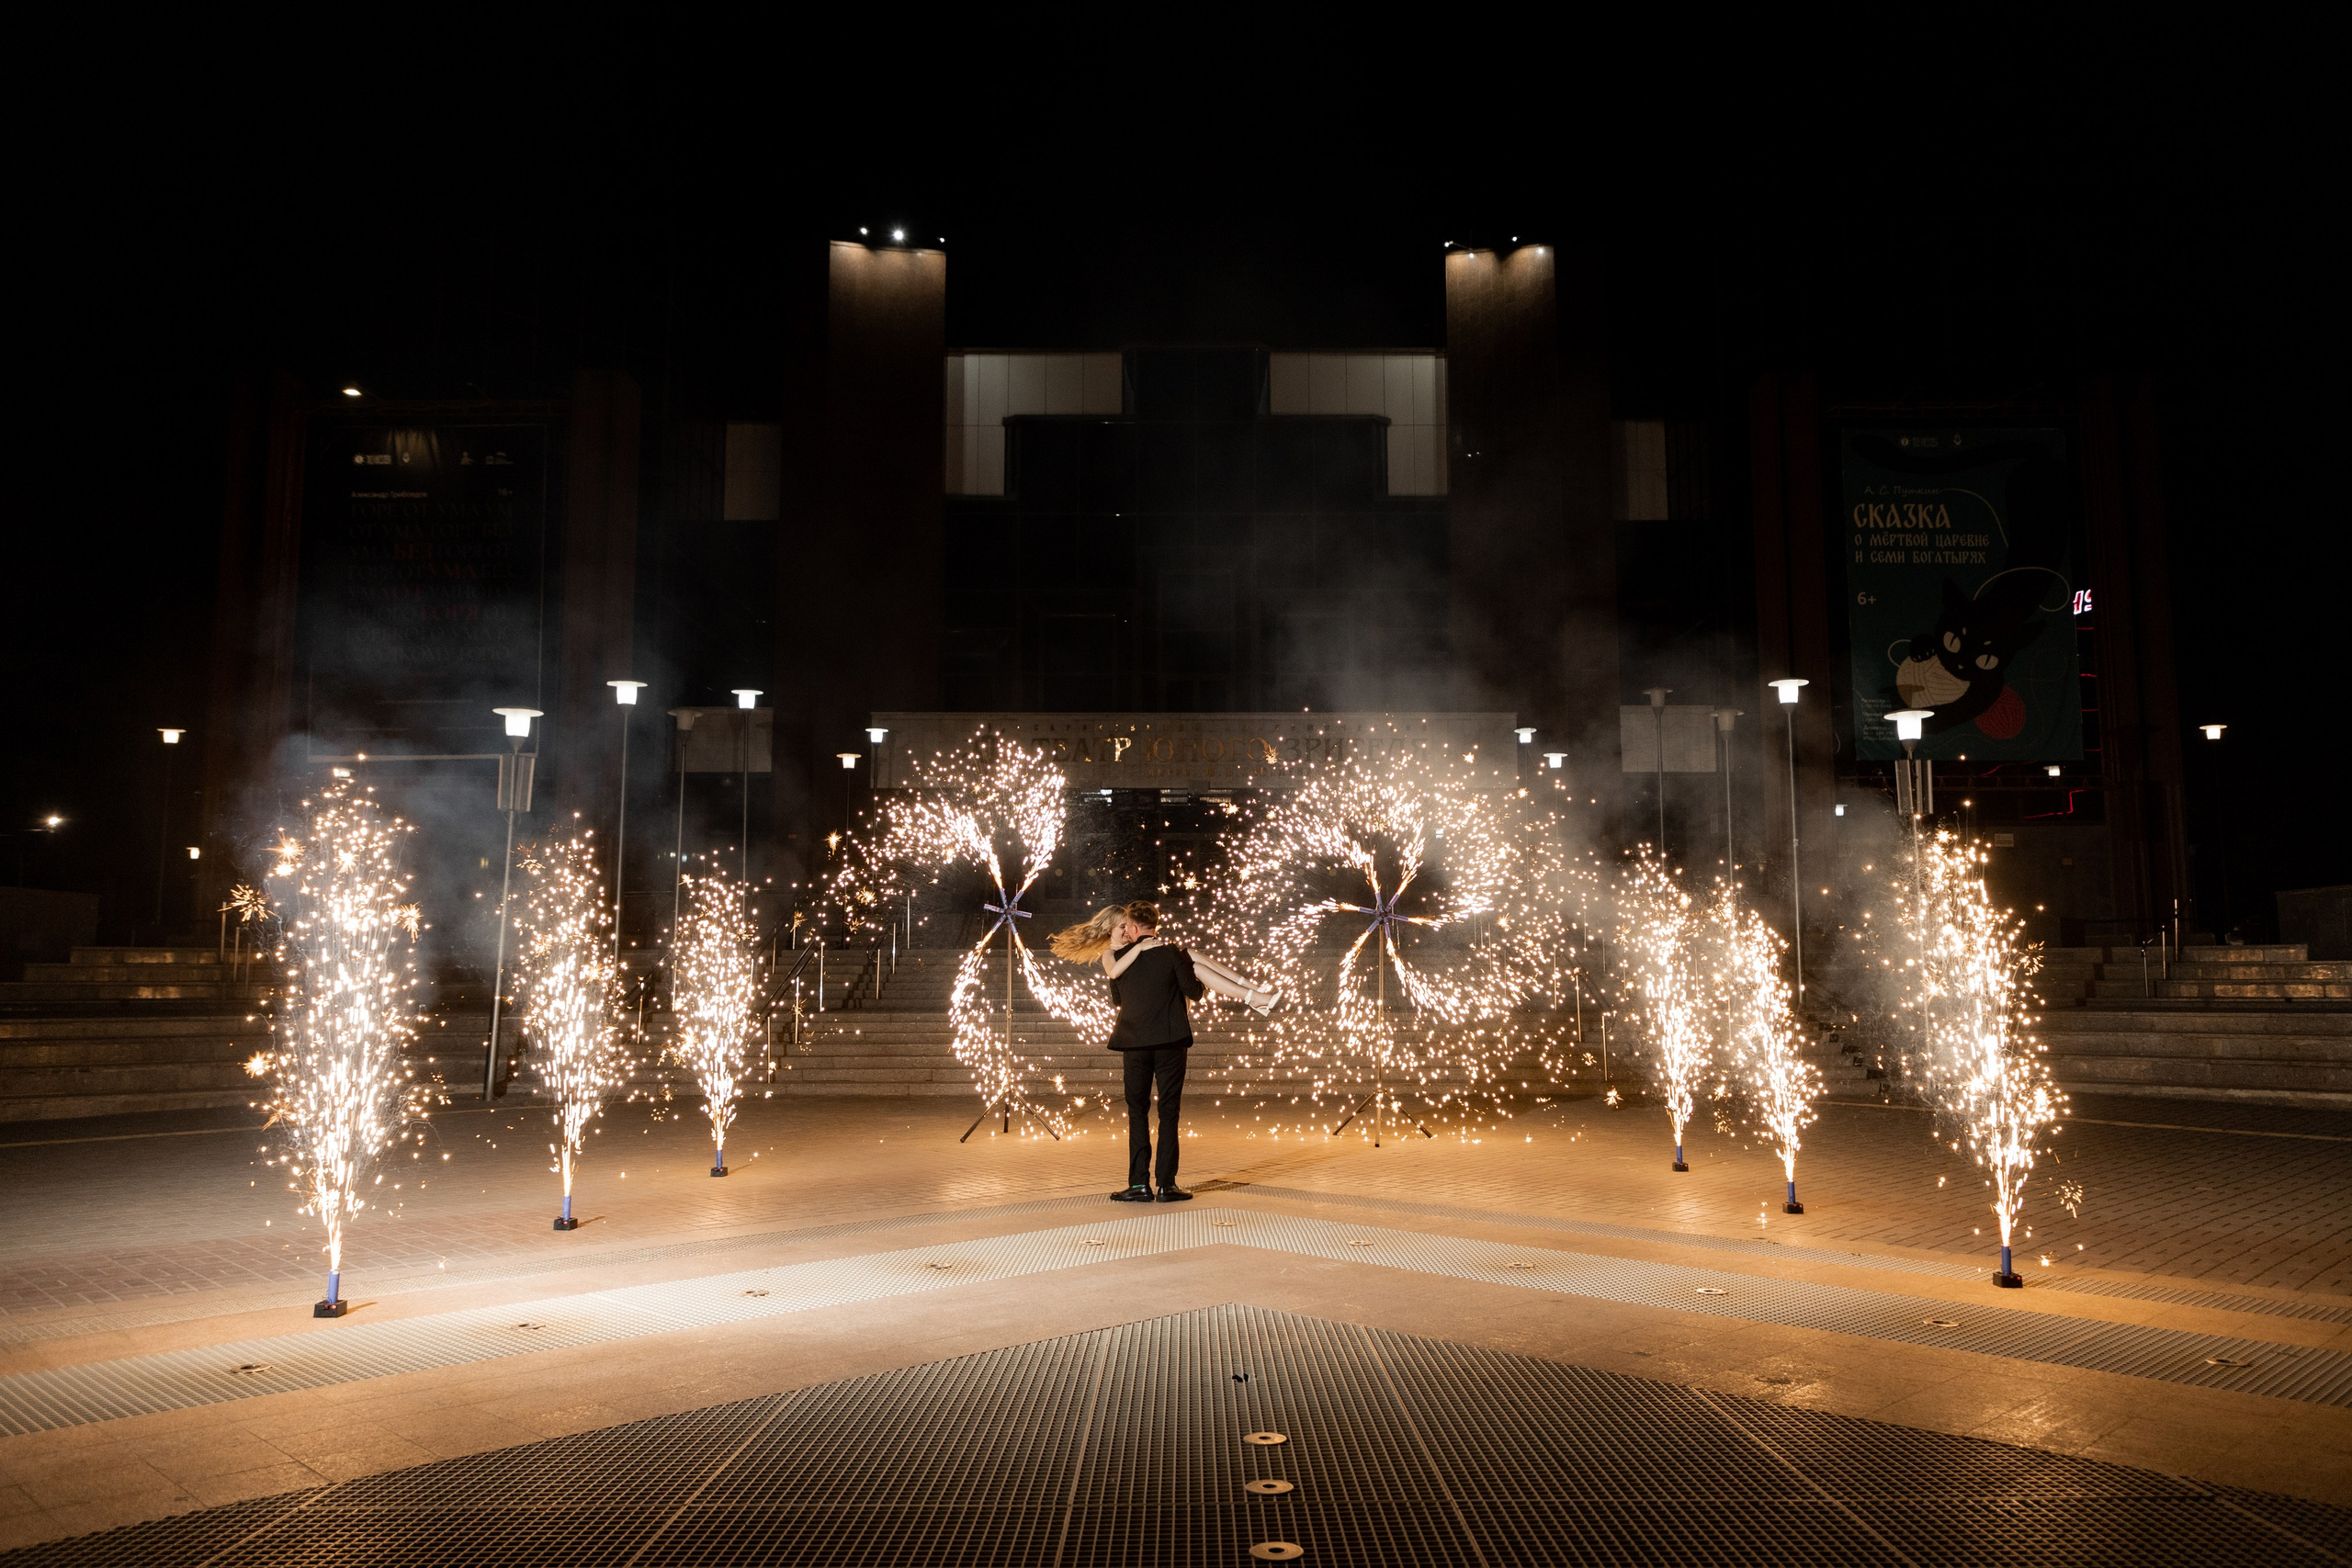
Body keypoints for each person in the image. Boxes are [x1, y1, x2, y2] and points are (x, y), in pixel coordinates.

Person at [1049, 901, 1267, 1202]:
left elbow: (1117, 1000)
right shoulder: (1170, 952)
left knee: (1137, 1112)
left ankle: (1138, 1184)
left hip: (1134, 1044)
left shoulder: (1118, 957)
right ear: (1154, 925)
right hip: (1169, 1042)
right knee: (1168, 1113)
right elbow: (1195, 992)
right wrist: (1174, 982)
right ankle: (1167, 1185)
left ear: (1134, 928)